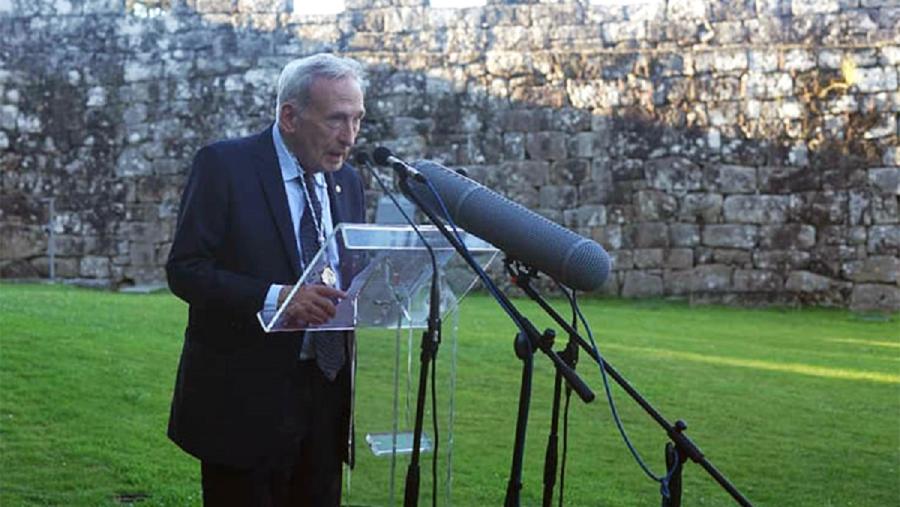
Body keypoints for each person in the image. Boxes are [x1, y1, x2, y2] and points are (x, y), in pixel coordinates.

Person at [165, 53, 367, 506]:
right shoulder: (224, 166)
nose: (349, 137)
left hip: (327, 395)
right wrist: (276, 298)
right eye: (337, 119)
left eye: (357, 120)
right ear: (290, 116)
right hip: (243, 402)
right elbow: (185, 269)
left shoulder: (348, 182)